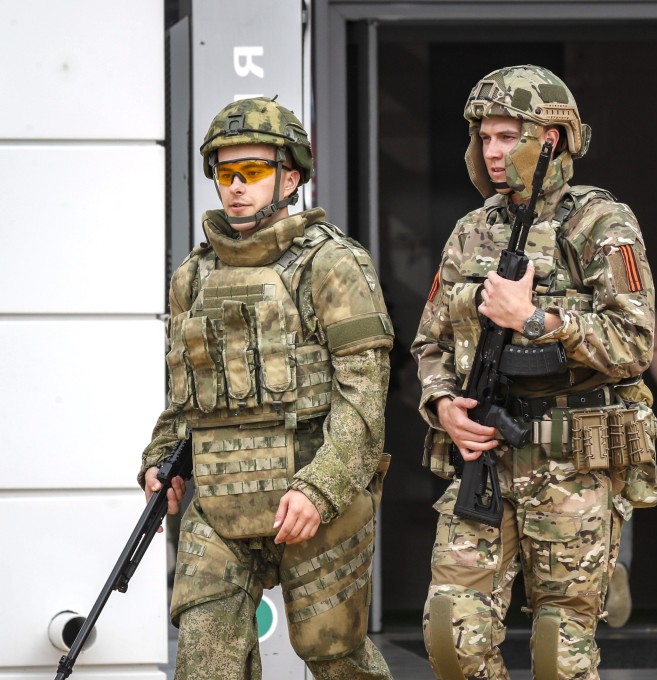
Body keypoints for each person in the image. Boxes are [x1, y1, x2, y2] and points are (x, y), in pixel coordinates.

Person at [412, 65, 657, 679]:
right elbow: (431, 341)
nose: (492, 152)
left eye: (506, 136)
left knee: (557, 653)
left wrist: (535, 319)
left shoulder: (600, 223)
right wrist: (444, 405)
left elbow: (634, 341)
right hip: (485, 457)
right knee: (450, 638)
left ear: (550, 139)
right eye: (484, 138)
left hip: (572, 464)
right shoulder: (471, 232)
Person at [139, 97, 394, 679]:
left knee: (336, 655)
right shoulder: (194, 276)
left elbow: (364, 399)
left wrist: (321, 489)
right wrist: (161, 462)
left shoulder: (333, 265)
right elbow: (184, 398)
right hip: (221, 500)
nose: (235, 187)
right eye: (226, 173)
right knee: (205, 658)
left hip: (315, 500)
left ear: (292, 176)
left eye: (251, 172)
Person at [605, 311, 657, 628]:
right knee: (620, 492)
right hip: (620, 407)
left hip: (557, 409)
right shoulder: (626, 271)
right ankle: (617, 562)